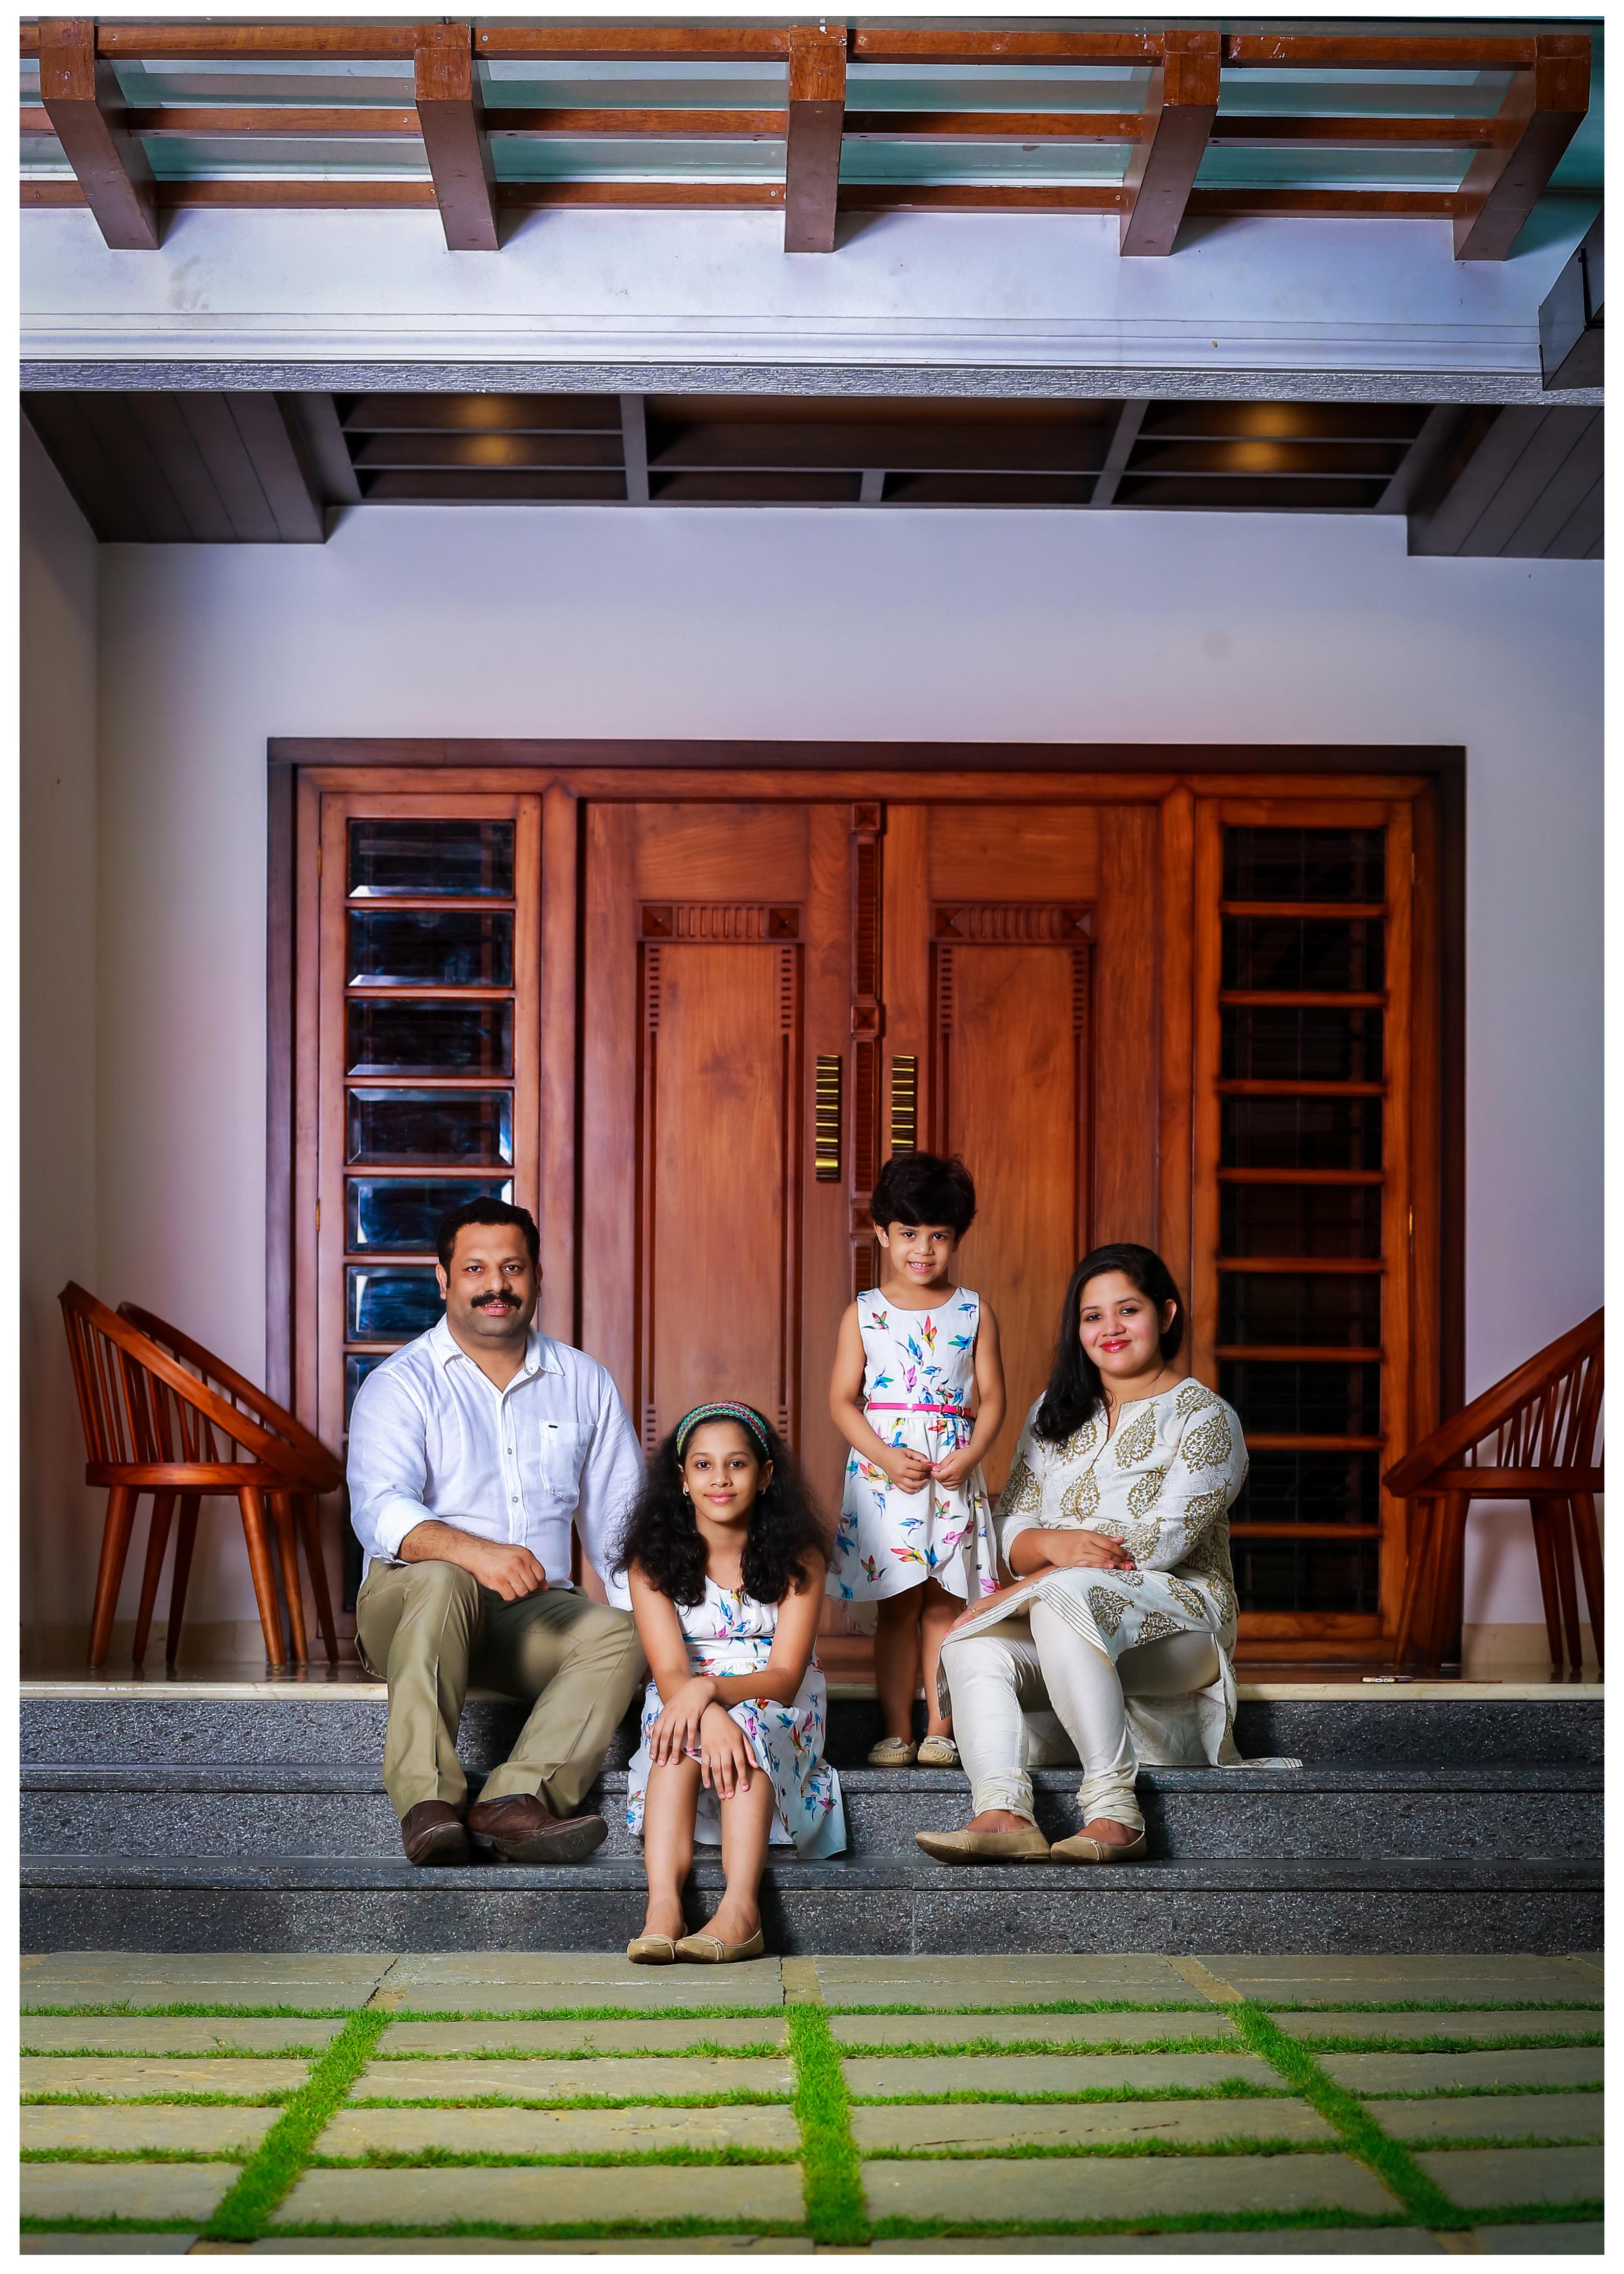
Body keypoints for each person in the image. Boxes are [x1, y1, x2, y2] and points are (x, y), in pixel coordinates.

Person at [920, 1241, 1264, 1867]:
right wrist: (1050, 1546)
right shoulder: (1053, 1413)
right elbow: (1009, 1525)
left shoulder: (1205, 1417)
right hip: (1066, 1616)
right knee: (972, 1643)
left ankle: (1114, 1810)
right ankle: (1003, 1810)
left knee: (1060, 1600)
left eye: (1127, 1310)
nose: (1110, 1328)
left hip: (1180, 1626)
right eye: (1092, 1316)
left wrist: (1033, 1582)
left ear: (1165, 1313)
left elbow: (1160, 1542)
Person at [347, 1198, 647, 1869]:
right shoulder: (401, 1383)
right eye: (475, 1268)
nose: (496, 1285)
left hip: (526, 1618)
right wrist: (475, 1553)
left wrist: (667, 1659)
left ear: (537, 1277)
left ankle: (515, 1800)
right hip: (410, 1607)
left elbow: (622, 1529)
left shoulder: (584, 1382)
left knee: (627, 1632)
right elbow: (379, 1509)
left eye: (512, 1268)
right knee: (442, 1579)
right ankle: (427, 1802)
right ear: (443, 1279)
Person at [617, 1401, 845, 1964]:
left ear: (764, 1475)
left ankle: (741, 1909)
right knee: (675, 1741)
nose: (719, 1478)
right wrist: (703, 1703)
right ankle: (663, 1907)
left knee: (746, 1727)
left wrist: (712, 1692)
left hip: (773, 1700)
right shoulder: (651, 1562)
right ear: (682, 1478)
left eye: (736, 1463)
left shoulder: (799, 1557)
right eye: (703, 1464)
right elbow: (672, 1672)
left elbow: (785, 1677)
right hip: (682, 1694)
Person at [829, 1152, 1006, 1770]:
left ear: (957, 1236)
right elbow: (841, 1400)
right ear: (881, 1232)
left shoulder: (974, 1310)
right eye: (908, 1233)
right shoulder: (864, 1312)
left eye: (938, 1235)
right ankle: (896, 1729)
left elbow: (993, 1399)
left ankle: (939, 1730)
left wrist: (972, 1452)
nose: (923, 1249)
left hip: (950, 1472)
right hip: (886, 1477)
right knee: (896, 1604)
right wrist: (882, 1456)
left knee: (944, 1603)